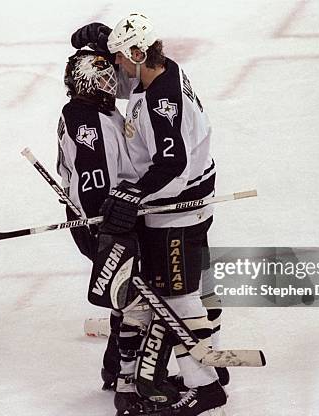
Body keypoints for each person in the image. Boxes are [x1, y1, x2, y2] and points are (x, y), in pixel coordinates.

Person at [72, 13, 227, 416]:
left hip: (178, 209)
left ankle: (206, 387)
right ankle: (208, 367)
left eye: (120, 59)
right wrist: (108, 41)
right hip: (187, 201)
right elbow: (123, 84)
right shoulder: (160, 72)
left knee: (177, 296)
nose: (117, 70)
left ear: (139, 53)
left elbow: (171, 164)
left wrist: (132, 195)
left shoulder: (161, 102)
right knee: (182, 290)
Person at [55, 48, 138, 393]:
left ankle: (114, 366)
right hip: (101, 220)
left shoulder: (89, 109)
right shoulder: (88, 120)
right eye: (101, 79)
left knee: (128, 288)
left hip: (100, 215)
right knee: (132, 290)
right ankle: (123, 373)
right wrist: (106, 225)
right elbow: (95, 180)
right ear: (86, 85)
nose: (110, 84)